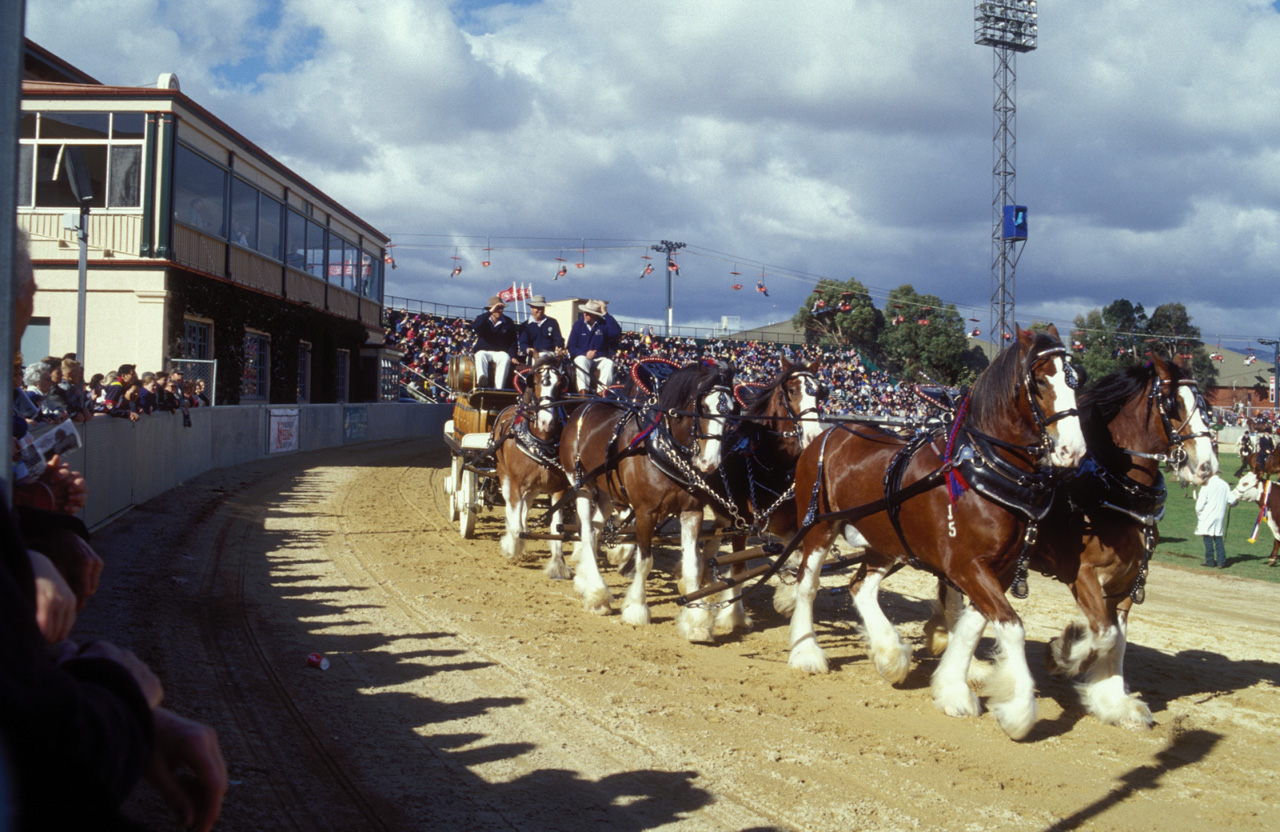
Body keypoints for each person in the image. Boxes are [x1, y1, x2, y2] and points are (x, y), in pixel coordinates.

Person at [567, 299, 620, 393]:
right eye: (584, 312)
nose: (585, 314)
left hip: (600, 358)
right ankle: (583, 391)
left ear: (595, 314)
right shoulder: (578, 325)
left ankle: (602, 392)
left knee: (609, 363)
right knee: (580, 360)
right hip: (583, 357)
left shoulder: (603, 324)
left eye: (588, 313)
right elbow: (571, 346)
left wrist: (605, 313)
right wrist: (585, 353)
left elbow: (616, 333)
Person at [470, 295, 518, 389]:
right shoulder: (483, 319)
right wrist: (491, 311)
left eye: (501, 308)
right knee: (480, 355)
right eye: (497, 308)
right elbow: (474, 326)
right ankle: (482, 381)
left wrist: (512, 356)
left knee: (505, 357)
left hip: (500, 351)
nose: (499, 310)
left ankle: (499, 388)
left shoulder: (508, 322)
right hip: (483, 350)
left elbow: (513, 341)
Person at [1194, 472, 1238, 569]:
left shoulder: (1206, 485)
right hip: (1220, 514)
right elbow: (1233, 500)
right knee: (1218, 538)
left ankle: (1210, 561)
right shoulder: (1224, 484)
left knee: (1207, 538)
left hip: (1208, 514)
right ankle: (1221, 562)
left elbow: (1200, 503)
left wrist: (1199, 513)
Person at [518, 295, 565, 360]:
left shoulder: (552, 322)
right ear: (531, 308)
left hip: (551, 355)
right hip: (534, 356)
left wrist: (559, 346)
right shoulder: (525, 326)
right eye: (538, 308)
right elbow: (523, 343)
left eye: (542, 308)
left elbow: (558, 338)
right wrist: (528, 349)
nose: (540, 310)